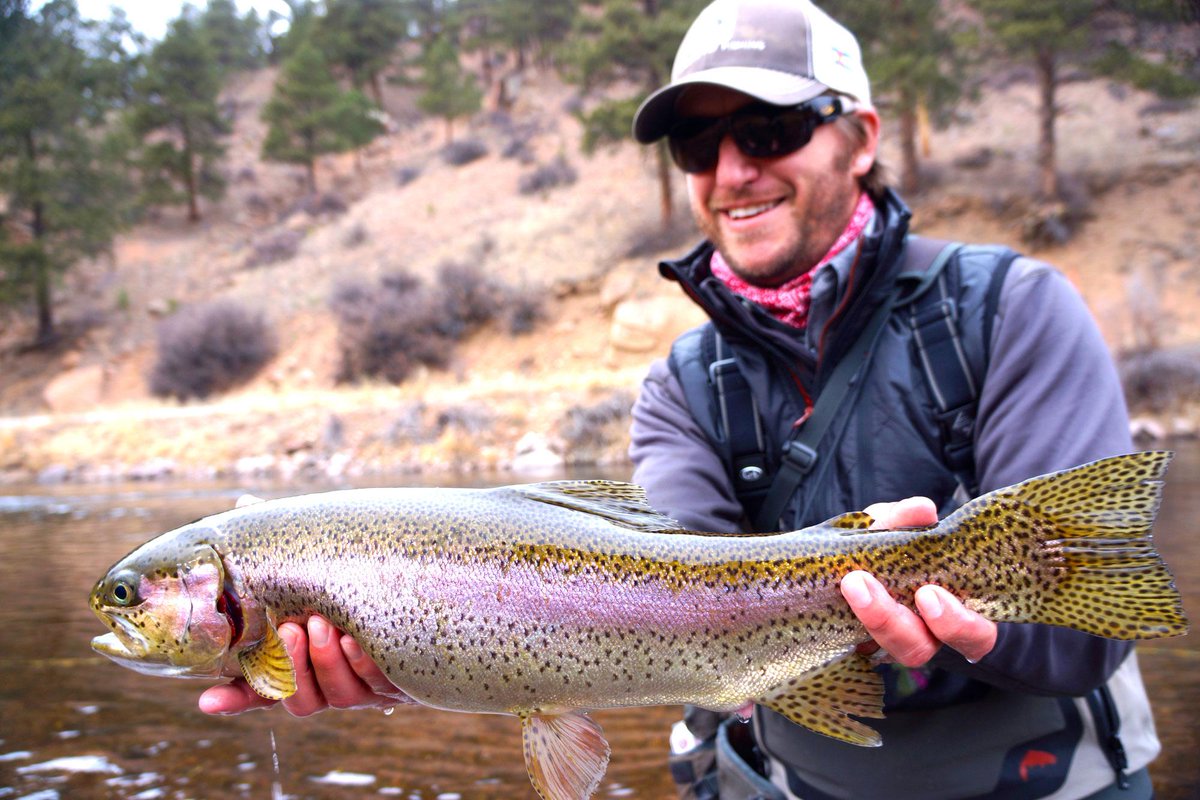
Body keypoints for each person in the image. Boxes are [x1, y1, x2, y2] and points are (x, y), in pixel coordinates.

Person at [200, 1, 1162, 798]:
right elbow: (661, 608)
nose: (732, 168)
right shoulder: (680, 385)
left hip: (1042, 775)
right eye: (698, 143)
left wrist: (965, 617)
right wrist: (425, 651)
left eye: (771, 129)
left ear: (863, 139)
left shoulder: (1007, 311)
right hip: (798, 774)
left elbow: (1087, 639)